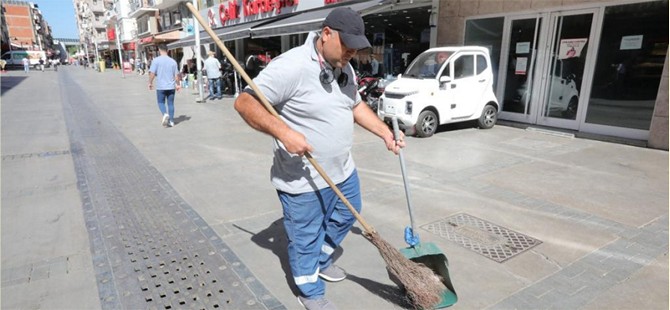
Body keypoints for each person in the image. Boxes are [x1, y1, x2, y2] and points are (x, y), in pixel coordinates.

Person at [234, 8, 405, 310]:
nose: (353, 51)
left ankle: (321, 259)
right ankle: (309, 291)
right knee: (304, 239)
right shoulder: (291, 67)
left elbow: (354, 105)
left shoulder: (344, 66)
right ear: (326, 34)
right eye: (347, 43)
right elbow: (245, 102)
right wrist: (284, 132)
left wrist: (384, 133)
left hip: (343, 171)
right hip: (303, 180)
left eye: (356, 45)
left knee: (347, 215)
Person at [148, 44, 181, 128]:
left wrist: (150, 82)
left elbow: (152, 73)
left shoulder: (156, 61)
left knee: (160, 102)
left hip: (161, 87)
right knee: (171, 104)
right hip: (171, 86)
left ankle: (165, 114)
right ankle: (172, 121)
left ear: (159, 50)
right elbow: (176, 76)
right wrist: (178, 85)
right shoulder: (173, 61)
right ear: (168, 50)